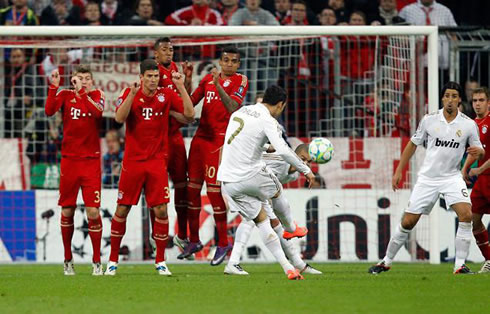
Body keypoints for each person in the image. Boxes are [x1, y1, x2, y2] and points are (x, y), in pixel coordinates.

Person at [369, 82, 485, 275]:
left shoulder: (468, 124)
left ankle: (459, 265)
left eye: (454, 96)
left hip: (451, 177)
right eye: (447, 95)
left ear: (459, 100)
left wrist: (479, 153)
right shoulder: (429, 120)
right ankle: (386, 261)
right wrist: (399, 171)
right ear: (442, 99)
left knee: (466, 215)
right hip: (428, 179)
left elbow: (479, 150)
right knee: (408, 222)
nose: (450, 99)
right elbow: (412, 144)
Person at [104, 59, 194, 276]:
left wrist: (181, 86)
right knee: (122, 209)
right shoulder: (129, 92)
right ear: (141, 76)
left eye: (156, 76)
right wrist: (133, 95)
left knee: (161, 210)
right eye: (150, 76)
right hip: (133, 162)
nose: (154, 80)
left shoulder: (166, 94)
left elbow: (190, 115)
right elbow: (118, 117)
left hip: (156, 162)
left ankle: (160, 261)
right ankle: (112, 260)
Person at [218, 85, 314, 280]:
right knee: (277, 190)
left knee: (262, 221)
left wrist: (265, 146)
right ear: (280, 105)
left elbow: (244, 139)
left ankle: (288, 268)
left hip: (229, 181)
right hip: (250, 174)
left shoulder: (242, 110)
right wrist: (307, 170)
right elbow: (286, 151)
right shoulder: (268, 120)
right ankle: (290, 228)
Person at [179, 46, 249, 265]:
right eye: (225, 60)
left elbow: (232, 107)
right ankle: (194, 240)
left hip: (219, 141)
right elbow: (189, 102)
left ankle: (223, 243)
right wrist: (187, 80)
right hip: (200, 138)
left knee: (214, 192)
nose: (228, 64)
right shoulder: (208, 78)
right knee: (191, 190)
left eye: (233, 61)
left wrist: (218, 85)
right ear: (220, 61)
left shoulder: (241, 81)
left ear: (238, 64)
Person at [225, 143, 322, 275]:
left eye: (308, 161)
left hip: (256, 186)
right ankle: (297, 260)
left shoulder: (294, 175)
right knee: (258, 220)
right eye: (302, 158)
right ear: (293, 155)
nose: (304, 163)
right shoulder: (279, 160)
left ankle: (297, 262)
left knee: (261, 220)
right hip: (238, 178)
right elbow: (258, 176)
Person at [45, 65, 105, 276]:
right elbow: (49, 110)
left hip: (90, 162)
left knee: (93, 212)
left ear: (92, 81)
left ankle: (97, 260)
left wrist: (82, 92)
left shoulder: (97, 96)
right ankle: (67, 259)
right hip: (69, 161)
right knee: (67, 210)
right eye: (80, 78)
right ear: (73, 79)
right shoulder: (65, 95)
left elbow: (97, 114)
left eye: (87, 79)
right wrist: (53, 87)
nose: (84, 81)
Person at [153, 37, 193, 253]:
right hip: (158, 139)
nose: (169, 53)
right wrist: (182, 116)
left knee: (182, 185)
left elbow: (183, 95)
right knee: (156, 189)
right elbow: (156, 103)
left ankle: (182, 234)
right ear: (156, 54)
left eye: (172, 49)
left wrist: (188, 78)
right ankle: (154, 234)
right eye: (165, 49)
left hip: (175, 137)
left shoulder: (175, 68)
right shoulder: (152, 73)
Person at [462, 87, 490, 273]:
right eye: (474, 101)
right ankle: (489, 259)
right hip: (482, 180)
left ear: (489, 103)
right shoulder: (472, 124)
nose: (477, 104)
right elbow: (473, 152)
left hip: (485, 173)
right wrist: (465, 169)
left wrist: (479, 169)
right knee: (474, 219)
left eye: (481, 100)